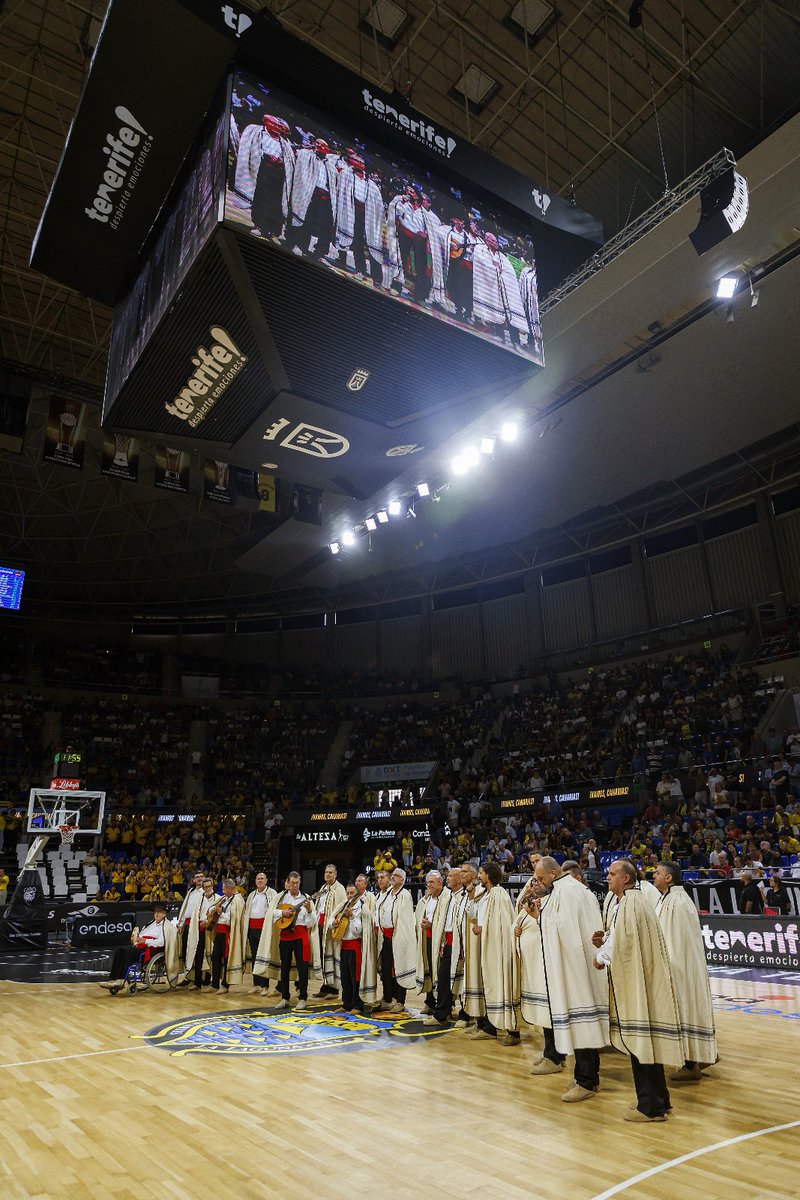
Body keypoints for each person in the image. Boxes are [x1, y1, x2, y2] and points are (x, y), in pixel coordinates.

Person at [593, 859, 683, 1122]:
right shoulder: (633, 902)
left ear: (627, 879)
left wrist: (601, 957)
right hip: (640, 982)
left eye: (612, 874)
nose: (607, 878)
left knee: (640, 1042)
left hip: (635, 985)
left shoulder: (631, 904)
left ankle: (651, 1106)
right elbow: (620, 937)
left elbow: (624, 944)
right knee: (644, 1044)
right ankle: (659, 1100)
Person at [530, 857, 609, 1101]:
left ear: (554, 873)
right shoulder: (561, 892)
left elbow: (566, 931)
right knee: (580, 1026)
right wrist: (538, 916)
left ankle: (585, 1081)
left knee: (582, 1024)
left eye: (541, 878)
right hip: (572, 967)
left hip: (576, 969)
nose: (538, 882)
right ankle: (585, 1077)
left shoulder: (570, 892)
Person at [652, 861, 718, 1082]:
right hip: (678, 968)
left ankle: (691, 1064)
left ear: (669, 878)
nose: (654, 875)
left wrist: (665, 968)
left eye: (658, 873)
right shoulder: (668, 898)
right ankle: (702, 1056)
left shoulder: (678, 902)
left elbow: (677, 943)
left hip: (680, 970)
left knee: (685, 1011)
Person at [464, 861, 519, 1045]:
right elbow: (471, 914)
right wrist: (471, 895)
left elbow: (502, 924)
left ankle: (513, 1032)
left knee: (502, 986)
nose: (478, 876)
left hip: (498, 949)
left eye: (480, 873)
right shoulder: (483, 894)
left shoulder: (500, 894)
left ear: (489, 875)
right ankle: (489, 1026)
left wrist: (482, 929)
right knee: (489, 985)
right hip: (486, 946)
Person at [257, 872, 318, 1010]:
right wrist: (282, 913)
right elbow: (271, 914)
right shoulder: (281, 897)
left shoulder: (307, 898)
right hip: (285, 936)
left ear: (300, 882)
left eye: (297, 883)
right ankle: (285, 997)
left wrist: (309, 911)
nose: (295, 885)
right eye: (292, 883)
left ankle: (302, 998)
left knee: (302, 969)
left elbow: (311, 923)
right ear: (288, 883)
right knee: (284, 968)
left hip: (301, 936)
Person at [235, 114, 295, 238]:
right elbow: (253, 149)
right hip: (263, 170)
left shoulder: (284, 143)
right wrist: (267, 157)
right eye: (275, 125)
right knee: (261, 198)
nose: (277, 128)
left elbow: (289, 161)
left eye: (279, 126)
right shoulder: (257, 132)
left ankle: (271, 229)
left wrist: (280, 161)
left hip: (278, 174)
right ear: (266, 122)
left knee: (275, 202)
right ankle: (259, 225)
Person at [98, 904, 178, 991]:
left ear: (164, 914)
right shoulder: (150, 924)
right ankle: (113, 979)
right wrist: (137, 940)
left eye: (159, 912)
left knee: (128, 953)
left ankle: (120, 981)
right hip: (140, 946)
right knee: (119, 951)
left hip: (151, 949)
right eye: (155, 912)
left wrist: (146, 941)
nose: (156, 914)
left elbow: (160, 943)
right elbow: (141, 936)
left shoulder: (167, 927)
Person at [333, 151, 385, 285]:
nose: (359, 164)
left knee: (373, 245)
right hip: (352, 211)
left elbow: (378, 203)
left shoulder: (371, 184)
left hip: (367, 215)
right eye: (357, 161)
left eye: (361, 162)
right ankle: (360, 270)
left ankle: (377, 278)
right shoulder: (346, 175)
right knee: (357, 243)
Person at [471, 232, 528, 346]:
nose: (496, 243)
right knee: (495, 311)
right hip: (491, 287)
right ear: (487, 241)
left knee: (510, 314)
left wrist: (500, 272)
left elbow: (509, 271)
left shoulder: (502, 256)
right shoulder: (481, 250)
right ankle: (499, 335)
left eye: (496, 241)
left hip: (504, 289)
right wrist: (496, 270)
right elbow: (482, 264)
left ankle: (515, 342)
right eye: (493, 241)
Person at [285, 138, 338, 259]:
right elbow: (294, 153)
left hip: (323, 198)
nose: (317, 146)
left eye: (321, 145)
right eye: (316, 143)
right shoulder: (306, 155)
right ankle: (294, 244)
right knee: (302, 219)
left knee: (315, 224)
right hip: (308, 193)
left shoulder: (329, 165)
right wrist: (306, 148)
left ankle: (305, 247)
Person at [374, 866, 416, 1013]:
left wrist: (400, 937)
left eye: (397, 876)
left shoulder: (405, 894)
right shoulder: (387, 894)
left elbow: (405, 920)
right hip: (385, 936)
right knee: (386, 969)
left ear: (403, 880)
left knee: (400, 967)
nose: (393, 877)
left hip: (398, 937)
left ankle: (400, 1001)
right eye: (392, 875)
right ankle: (388, 998)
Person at [414, 869, 451, 1015]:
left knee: (441, 975)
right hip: (427, 939)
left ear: (440, 883)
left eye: (432, 882)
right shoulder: (427, 898)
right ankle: (430, 1002)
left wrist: (431, 925)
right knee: (428, 970)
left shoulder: (446, 897)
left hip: (441, 941)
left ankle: (444, 1006)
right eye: (427, 882)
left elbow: (444, 920)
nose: (429, 885)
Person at [314, 863, 347, 998]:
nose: (327, 874)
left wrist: (333, 924)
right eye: (326, 872)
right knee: (323, 957)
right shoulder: (323, 888)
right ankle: (326, 986)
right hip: (321, 926)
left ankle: (334, 990)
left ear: (336, 874)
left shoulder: (339, 889)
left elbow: (342, 909)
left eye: (330, 873)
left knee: (332, 957)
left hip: (331, 927)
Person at [207, 877, 245, 993]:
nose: (222, 891)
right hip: (220, 932)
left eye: (224, 889)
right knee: (215, 957)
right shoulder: (224, 898)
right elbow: (213, 908)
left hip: (230, 933)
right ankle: (214, 984)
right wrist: (213, 909)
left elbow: (232, 919)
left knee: (228, 959)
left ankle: (225, 985)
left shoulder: (238, 900)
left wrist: (220, 913)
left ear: (230, 888)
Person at [244, 872, 277, 996]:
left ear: (266, 880)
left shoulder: (272, 893)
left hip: (264, 929)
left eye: (262, 878)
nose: (260, 881)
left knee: (263, 957)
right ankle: (256, 984)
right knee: (254, 957)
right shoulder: (252, 895)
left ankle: (265, 986)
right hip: (252, 929)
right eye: (258, 878)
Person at [184, 877, 217, 990]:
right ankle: (197, 982)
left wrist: (208, 922)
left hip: (211, 931)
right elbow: (195, 915)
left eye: (209, 886)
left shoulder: (217, 899)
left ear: (212, 887)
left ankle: (207, 982)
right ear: (203, 888)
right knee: (198, 956)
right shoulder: (199, 899)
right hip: (199, 931)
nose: (207, 888)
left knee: (210, 955)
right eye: (205, 887)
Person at [337, 883, 364, 1012]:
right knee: (345, 977)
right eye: (347, 893)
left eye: (351, 893)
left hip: (355, 946)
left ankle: (357, 1004)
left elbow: (359, 930)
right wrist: (334, 923)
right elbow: (332, 922)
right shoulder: (343, 905)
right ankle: (346, 1003)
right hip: (344, 946)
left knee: (355, 978)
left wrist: (352, 916)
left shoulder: (361, 907)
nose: (349, 896)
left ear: (357, 894)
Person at [176, 871, 205, 983]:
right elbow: (185, 908)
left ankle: (198, 978)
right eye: (197, 877)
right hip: (187, 925)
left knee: (197, 952)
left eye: (201, 877)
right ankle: (188, 976)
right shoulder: (191, 892)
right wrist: (181, 923)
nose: (199, 879)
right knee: (185, 951)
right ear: (193, 880)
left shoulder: (205, 893)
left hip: (197, 926)